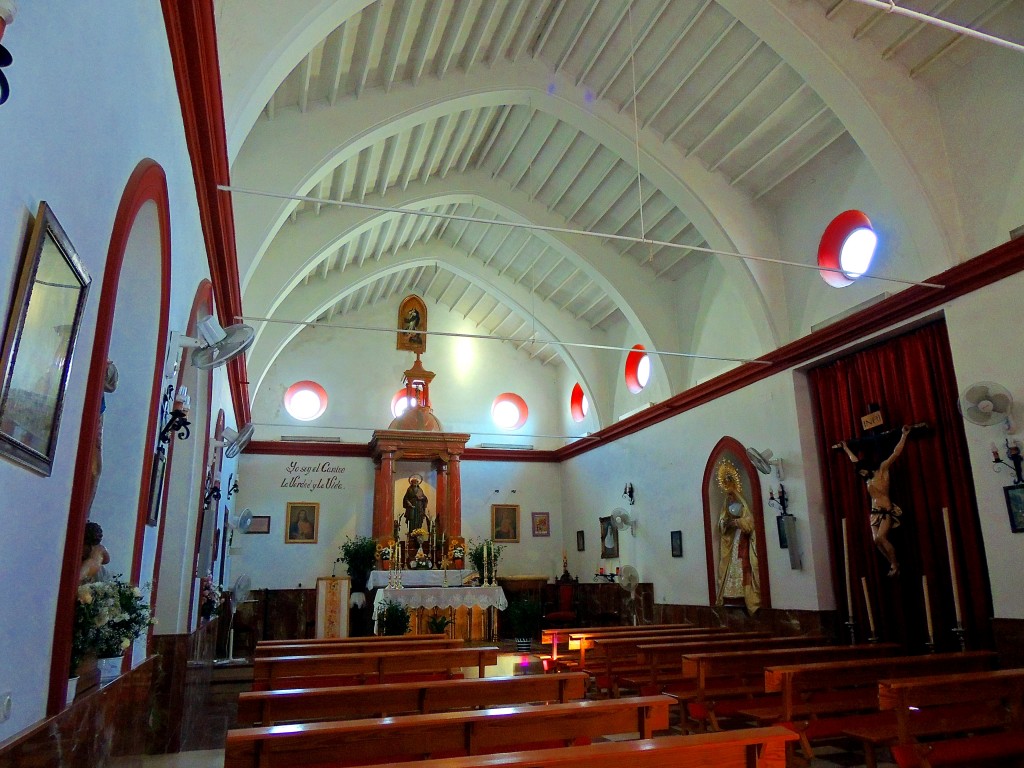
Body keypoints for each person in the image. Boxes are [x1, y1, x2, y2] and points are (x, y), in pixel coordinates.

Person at [841, 424, 910, 577]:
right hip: (874, 512)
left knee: (881, 537)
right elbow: (854, 460)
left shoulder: (882, 470)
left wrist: (904, 435)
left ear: (867, 466)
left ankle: (894, 563)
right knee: (876, 541)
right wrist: (846, 448)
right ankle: (892, 563)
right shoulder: (867, 478)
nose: (862, 473)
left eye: (862, 470)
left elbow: (895, 453)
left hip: (886, 510)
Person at [715, 459, 760, 614]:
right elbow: (721, 525)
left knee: (742, 566)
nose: (731, 499)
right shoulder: (726, 506)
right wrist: (726, 523)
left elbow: (750, 523)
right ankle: (729, 595)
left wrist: (738, 523)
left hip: (742, 541)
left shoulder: (742, 506)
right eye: (728, 497)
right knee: (732, 566)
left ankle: (746, 597)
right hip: (734, 540)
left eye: (732, 496)